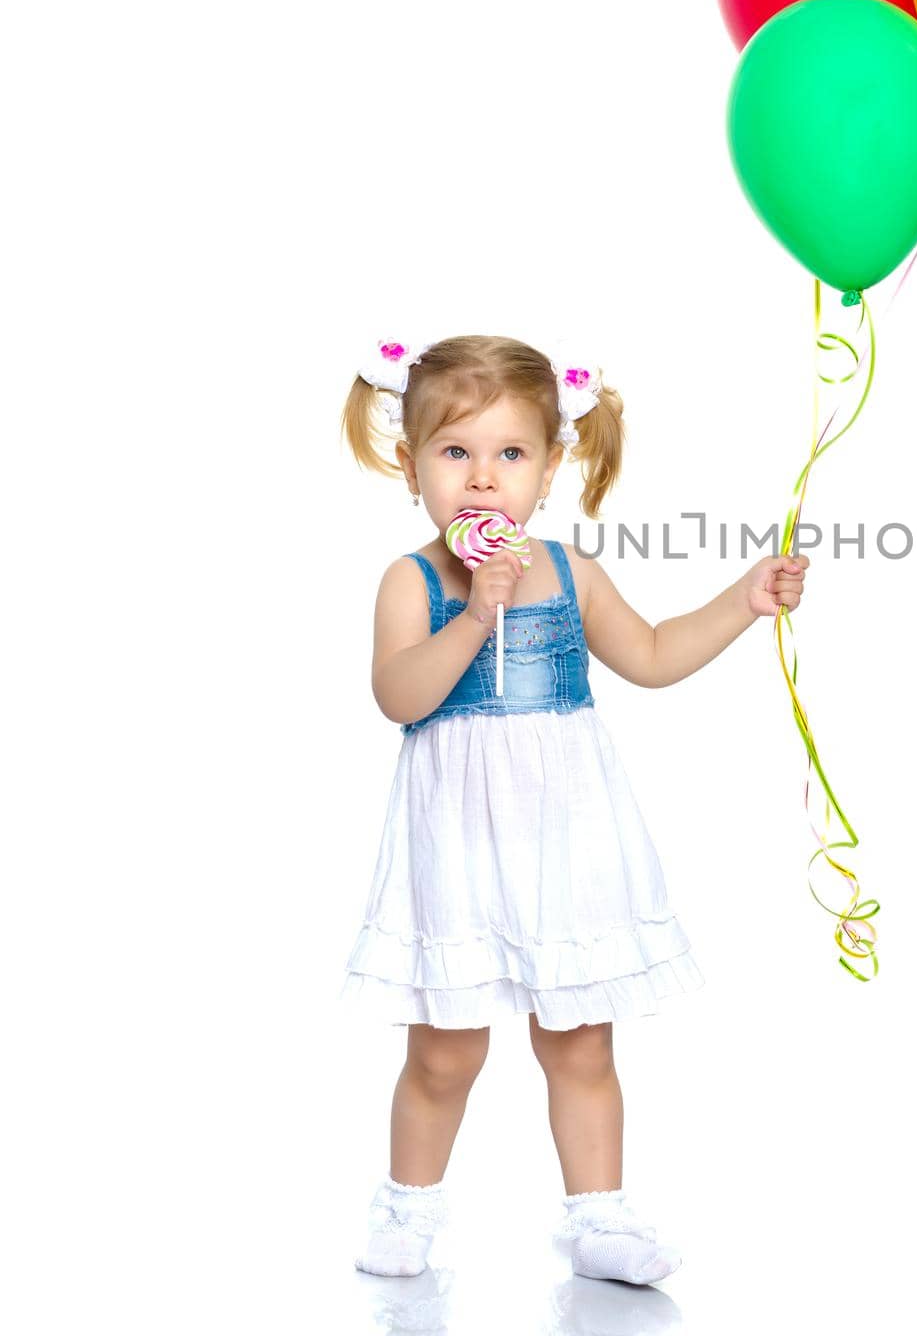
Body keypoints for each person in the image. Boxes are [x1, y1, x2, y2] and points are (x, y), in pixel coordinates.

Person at [337, 334, 808, 1285]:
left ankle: (599, 1216)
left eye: (509, 455)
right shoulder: (413, 581)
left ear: (550, 470)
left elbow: (654, 655)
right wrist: (476, 614)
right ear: (410, 465)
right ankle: (406, 1204)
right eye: (454, 453)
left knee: (581, 1039)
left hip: (566, 836)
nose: (482, 480)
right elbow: (400, 696)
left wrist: (742, 599)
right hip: (460, 841)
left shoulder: (570, 570)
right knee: (445, 1048)